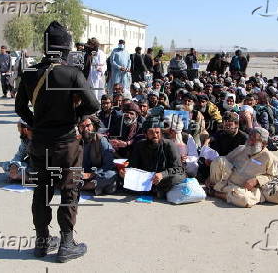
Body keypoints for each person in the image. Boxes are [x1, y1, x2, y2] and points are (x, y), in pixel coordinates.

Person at [15, 21, 100, 262]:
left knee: (41, 192)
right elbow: (93, 105)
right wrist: (75, 116)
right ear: (65, 49)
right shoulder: (71, 73)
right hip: (66, 144)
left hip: (40, 142)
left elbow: (20, 107)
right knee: (70, 190)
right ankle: (66, 243)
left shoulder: (30, 73)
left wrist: (37, 123)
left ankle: (42, 242)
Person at [206, 128, 278, 208]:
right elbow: (225, 160)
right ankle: (213, 186)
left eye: (254, 139)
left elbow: (272, 176)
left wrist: (257, 180)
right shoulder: (241, 149)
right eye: (249, 137)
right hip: (229, 181)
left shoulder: (269, 157)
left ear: (263, 143)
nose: (250, 141)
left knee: (245, 199)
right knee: (218, 160)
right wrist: (210, 176)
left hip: (246, 189)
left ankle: (216, 193)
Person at [120, 116, 186, 198]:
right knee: (122, 178)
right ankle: (155, 190)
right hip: (147, 178)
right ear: (145, 134)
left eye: (157, 132)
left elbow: (179, 169)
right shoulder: (140, 145)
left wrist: (162, 174)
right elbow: (133, 165)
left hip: (164, 177)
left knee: (177, 178)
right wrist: (126, 172)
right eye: (151, 133)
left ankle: (154, 190)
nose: (155, 135)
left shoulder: (169, 145)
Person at [78, 115, 118, 195]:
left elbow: (109, 164)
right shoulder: (76, 141)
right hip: (82, 174)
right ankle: (95, 186)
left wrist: (91, 174)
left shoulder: (101, 140)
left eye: (88, 125)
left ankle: (83, 187)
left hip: (98, 174)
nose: (85, 129)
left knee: (112, 174)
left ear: (93, 126)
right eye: (82, 126)